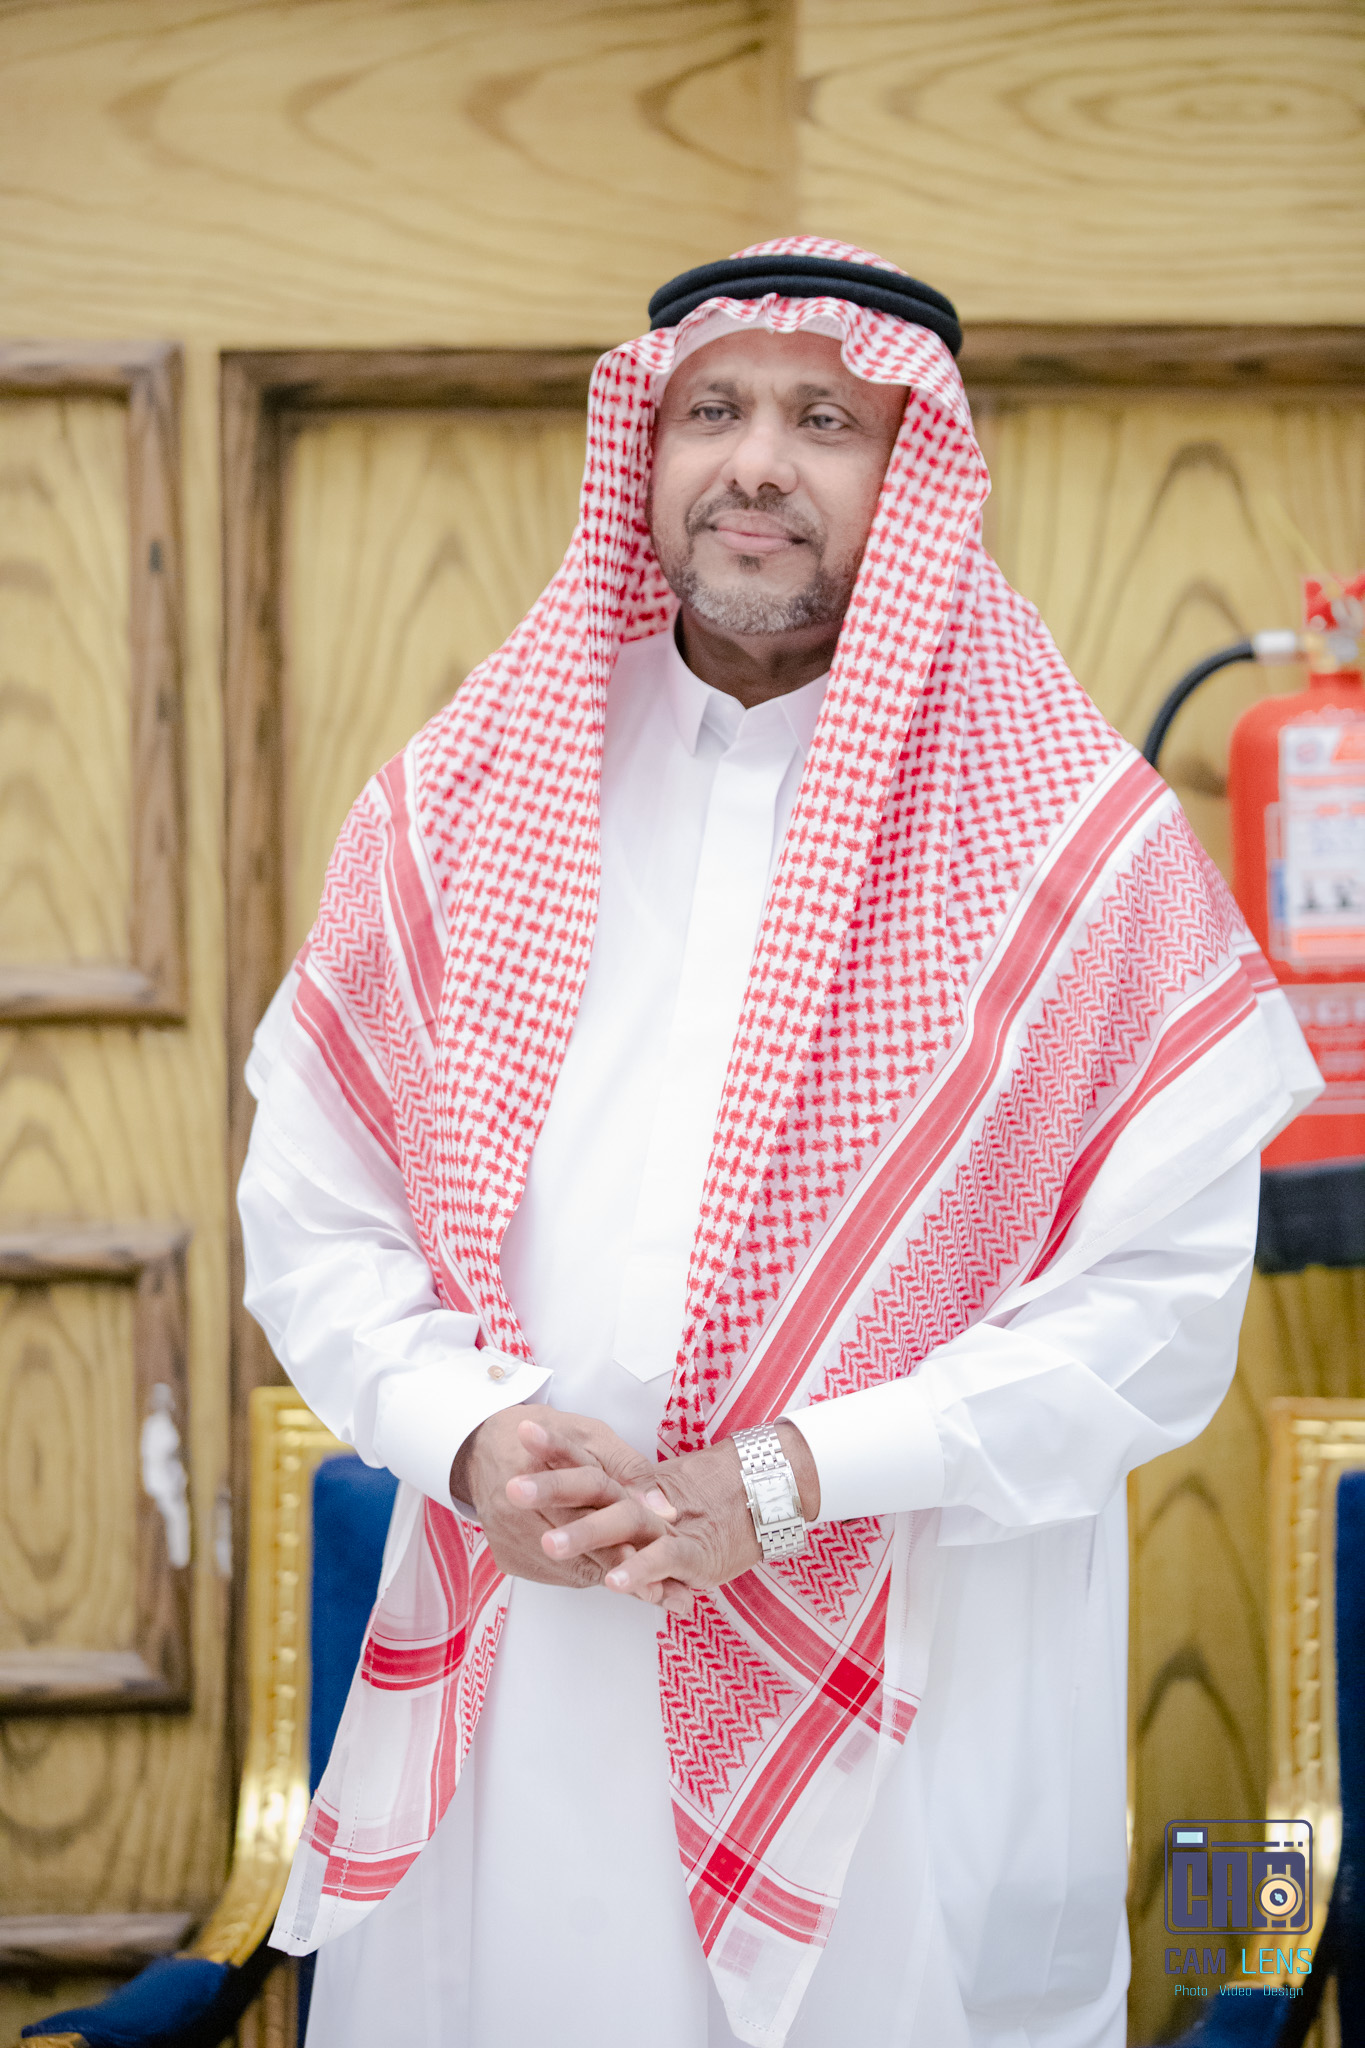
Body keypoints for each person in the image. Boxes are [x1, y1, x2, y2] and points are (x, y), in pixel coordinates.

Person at [238, 238, 1318, 2048]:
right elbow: (314, 1212)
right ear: (641, 450)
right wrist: (467, 1436)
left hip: (908, 1682)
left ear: (916, 471)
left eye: (826, 421)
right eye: (711, 412)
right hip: (529, 1664)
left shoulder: (1079, 854)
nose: (754, 463)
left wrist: (795, 1477)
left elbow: (1148, 1314)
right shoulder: (463, 800)